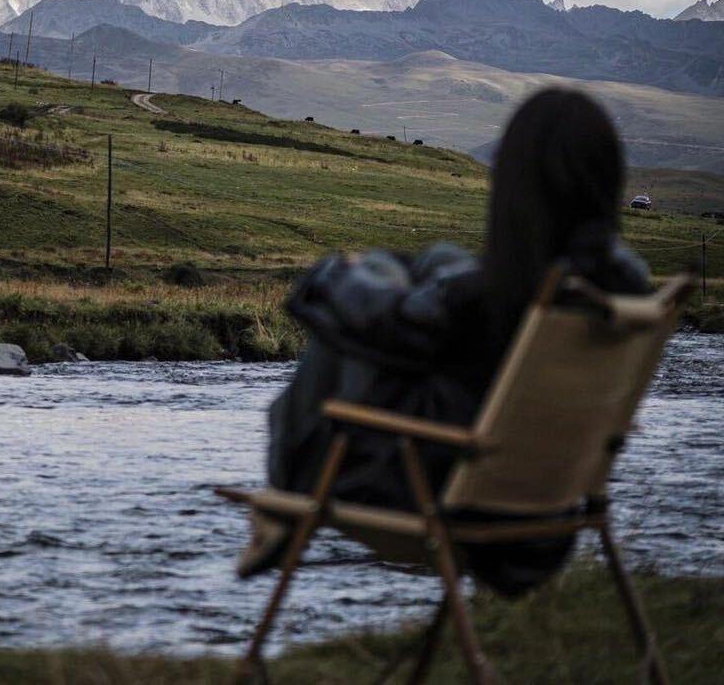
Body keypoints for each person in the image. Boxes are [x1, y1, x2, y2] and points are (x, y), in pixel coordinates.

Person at [240, 87, 651, 594]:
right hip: (549, 510)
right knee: (436, 259)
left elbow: (388, 322)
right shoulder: (621, 287)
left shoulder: (497, 300)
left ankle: (284, 481)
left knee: (352, 314)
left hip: (433, 491)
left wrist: (331, 274)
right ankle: (399, 267)